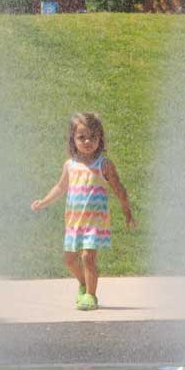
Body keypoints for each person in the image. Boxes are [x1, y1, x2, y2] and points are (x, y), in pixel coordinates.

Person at [30, 112, 135, 311]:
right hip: (74, 222)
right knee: (69, 260)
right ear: (73, 140)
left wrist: (127, 212)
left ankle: (90, 296)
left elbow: (119, 188)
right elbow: (60, 188)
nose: (87, 141)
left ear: (100, 139)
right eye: (82, 137)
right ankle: (83, 283)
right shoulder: (70, 165)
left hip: (94, 223)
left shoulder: (103, 164)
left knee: (87, 257)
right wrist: (43, 202)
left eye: (93, 137)